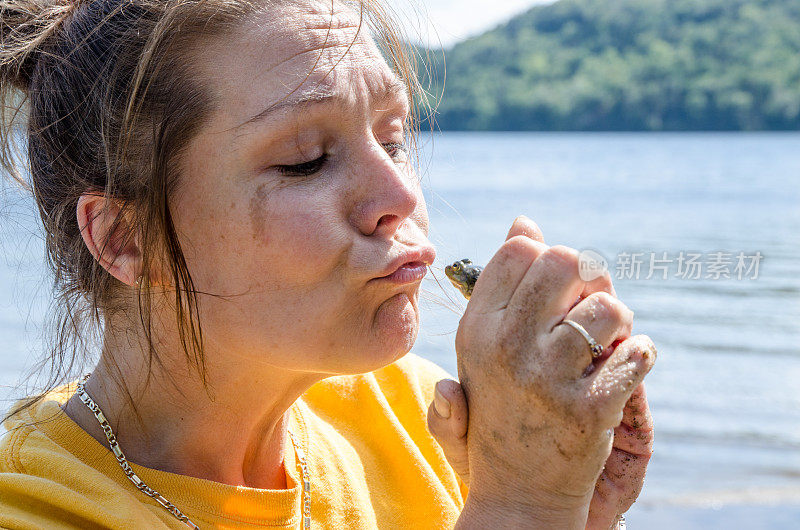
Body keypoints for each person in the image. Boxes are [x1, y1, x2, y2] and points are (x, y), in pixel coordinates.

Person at [0, 0, 656, 528]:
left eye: (394, 139)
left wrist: (578, 509)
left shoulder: (416, 414)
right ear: (123, 239)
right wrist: (524, 505)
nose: (401, 197)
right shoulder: (36, 506)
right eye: (306, 159)